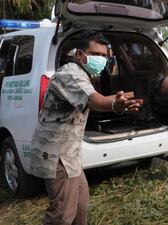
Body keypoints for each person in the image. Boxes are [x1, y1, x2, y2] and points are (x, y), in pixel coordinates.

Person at [29, 30, 143, 225]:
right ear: (80, 55)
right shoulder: (70, 74)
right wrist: (116, 105)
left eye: (104, 56)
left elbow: (98, 98)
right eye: (96, 55)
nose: (101, 60)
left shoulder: (82, 74)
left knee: (80, 208)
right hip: (58, 155)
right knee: (61, 216)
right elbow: (95, 100)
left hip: (69, 154)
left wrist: (121, 102)